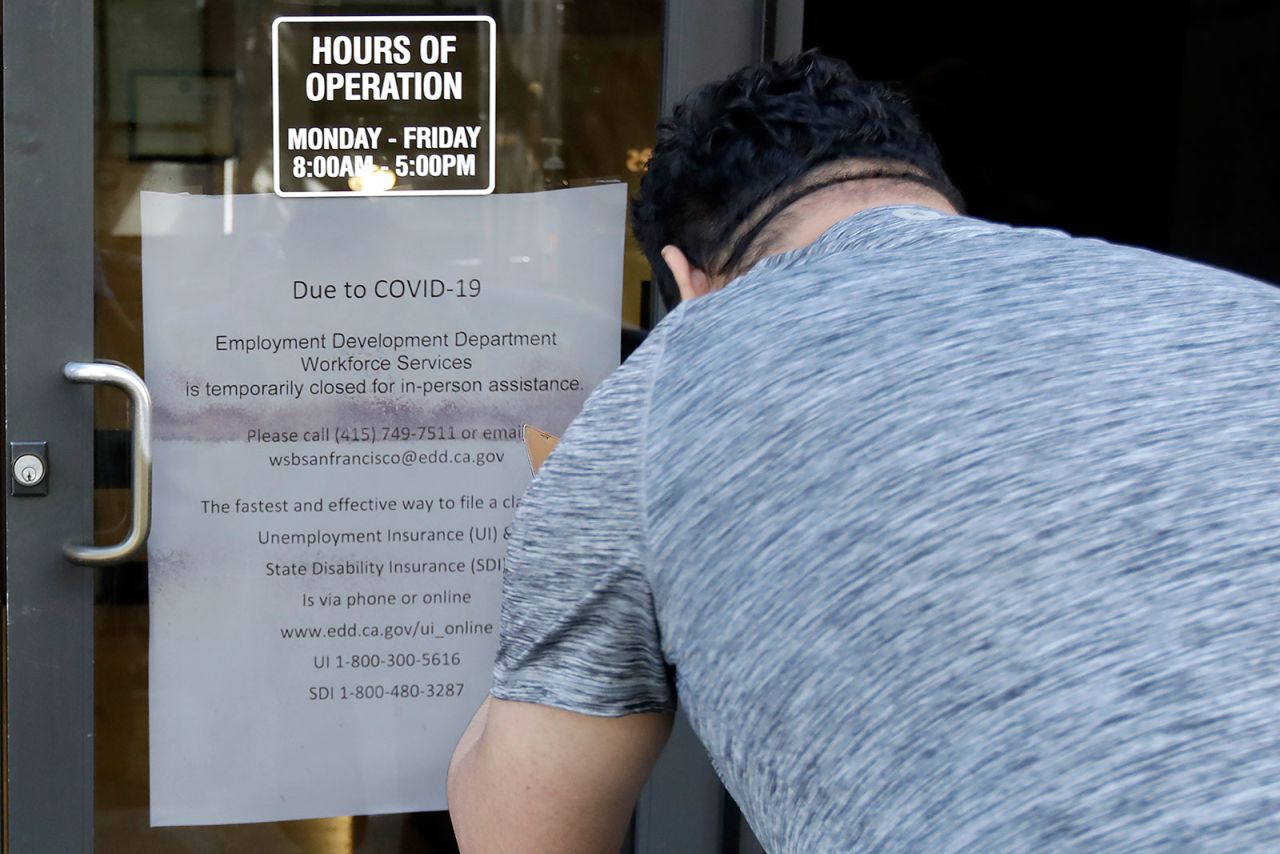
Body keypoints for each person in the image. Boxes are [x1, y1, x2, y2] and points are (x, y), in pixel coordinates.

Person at [448, 52, 1280, 852]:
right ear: (932, 202)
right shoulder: (1240, 313)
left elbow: (524, 833)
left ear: (686, 278)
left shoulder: (670, 379)